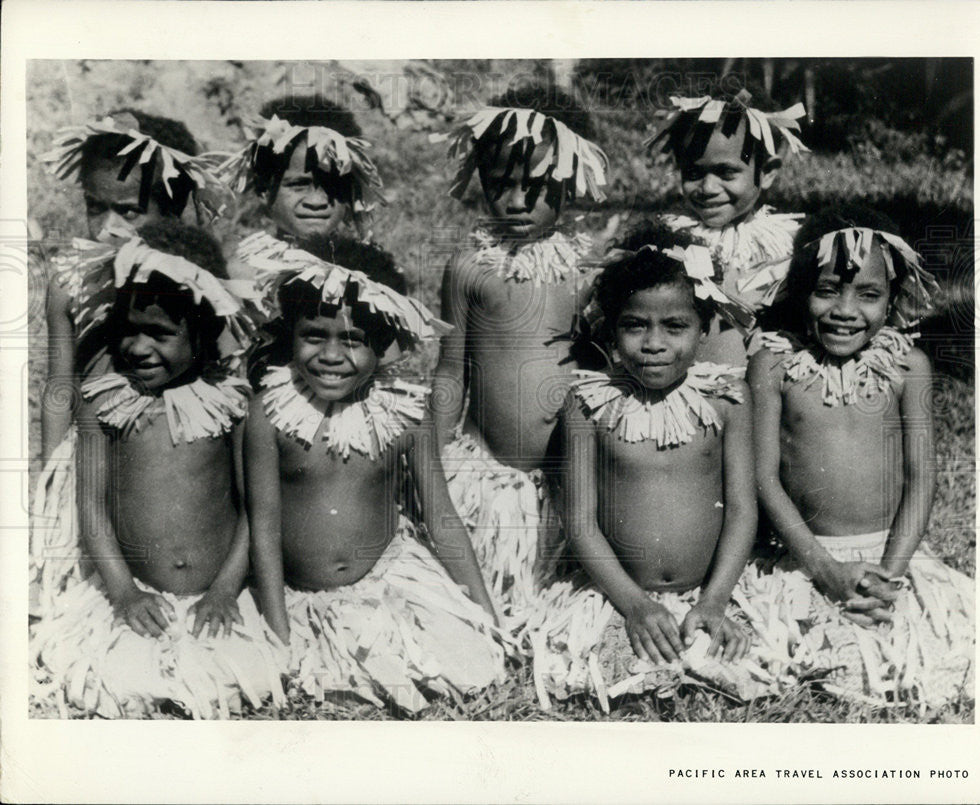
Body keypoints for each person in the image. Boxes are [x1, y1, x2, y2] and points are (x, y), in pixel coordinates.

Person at [526, 222, 788, 712]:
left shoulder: (728, 399)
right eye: (634, 325)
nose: (653, 343)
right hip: (618, 592)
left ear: (705, 327)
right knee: (612, 676)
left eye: (675, 326)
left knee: (755, 667)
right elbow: (580, 522)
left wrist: (713, 601)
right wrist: (635, 605)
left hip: (712, 589)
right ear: (609, 327)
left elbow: (740, 510)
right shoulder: (587, 404)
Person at [31, 220, 283, 719]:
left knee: (240, 680)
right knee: (114, 685)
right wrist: (123, 592)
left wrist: (225, 590)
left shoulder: (233, 405)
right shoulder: (102, 405)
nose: (138, 348)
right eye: (128, 330)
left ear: (206, 331)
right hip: (137, 592)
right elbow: (93, 509)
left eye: (161, 333)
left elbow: (255, 510)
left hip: (218, 593)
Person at [244, 242, 505, 714]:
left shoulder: (404, 414)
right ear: (290, 335)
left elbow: (440, 516)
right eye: (313, 335)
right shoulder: (270, 416)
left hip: (388, 583)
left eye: (352, 339)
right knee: (297, 683)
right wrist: (278, 631)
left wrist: (484, 612)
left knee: (466, 664)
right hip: (300, 596)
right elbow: (262, 527)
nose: (330, 355)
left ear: (383, 344)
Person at [745, 204, 973, 707]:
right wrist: (824, 570)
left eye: (868, 294)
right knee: (779, 659)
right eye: (828, 289)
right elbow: (763, 479)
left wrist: (889, 577)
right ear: (800, 289)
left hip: (891, 558)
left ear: (893, 298)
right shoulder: (774, 366)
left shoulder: (908, 367)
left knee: (933, 653)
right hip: (804, 559)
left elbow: (921, 480)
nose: (846, 310)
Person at [430, 83, 610, 624]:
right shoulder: (469, 268)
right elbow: (450, 373)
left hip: (568, 480)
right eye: (501, 184)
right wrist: (432, 461)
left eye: (536, 185)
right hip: (488, 476)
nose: (516, 200)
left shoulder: (587, 268)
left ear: (571, 183)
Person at [39, 109, 227, 461]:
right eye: (95, 207)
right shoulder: (69, 284)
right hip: (94, 459)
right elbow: (59, 386)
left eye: (128, 212)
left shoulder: (196, 283)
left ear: (171, 213)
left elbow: (227, 377)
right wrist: (52, 472)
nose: (105, 228)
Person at [647, 80, 809, 365]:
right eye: (694, 173)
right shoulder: (665, 242)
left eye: (726, 172)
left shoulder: (786, 246)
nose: (708, 187)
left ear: (767, 172)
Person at [217, 94, 384, 261]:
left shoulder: (370, 273)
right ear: (263, 190)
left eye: (332, 185)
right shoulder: (238, 273)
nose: (316, 201)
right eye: (299, 184)